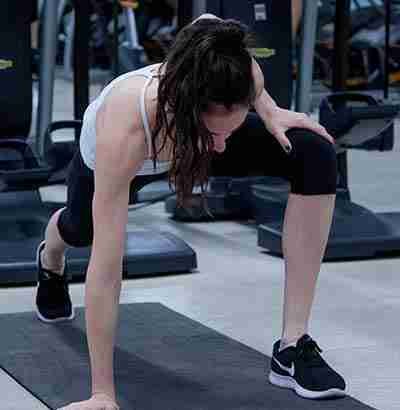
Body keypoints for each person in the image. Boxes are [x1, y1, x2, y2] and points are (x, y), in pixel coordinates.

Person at [35, 13, 345, 410]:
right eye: (217, 134)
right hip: (131, 152)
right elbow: (107, 269)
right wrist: (103, 394)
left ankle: (292, 346)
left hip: (190, 139)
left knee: (313, 152)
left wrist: (269, 111)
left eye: (231, 130)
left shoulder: (234, 72)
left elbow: (211, 22)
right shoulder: (125, 125)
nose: (223, 147)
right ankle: (50, 256)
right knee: (83, 231)